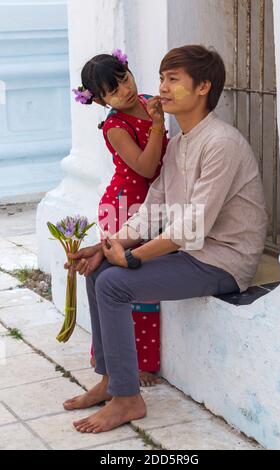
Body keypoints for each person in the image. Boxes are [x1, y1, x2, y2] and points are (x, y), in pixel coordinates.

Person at [63, 44, 268, 434]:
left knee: (114, 284)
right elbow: (154, 205)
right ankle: (110, 380)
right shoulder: (180, 143)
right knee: (99, 270)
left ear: (204, 86)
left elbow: (193, 226)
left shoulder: (220, 142)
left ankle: (128, 400)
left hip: (221, 260)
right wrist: (108, 246)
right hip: (192, 252)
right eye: (161, 78)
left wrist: (135, 257)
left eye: (173, 79)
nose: (162, 88)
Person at [68, 49, 168, 392]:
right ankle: (126, 363)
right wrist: (157, 124)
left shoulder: (150, 100)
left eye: (124, 79)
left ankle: (137, 359)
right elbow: (145, 168)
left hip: (153, 206)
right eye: (112, 90)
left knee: (141, 279)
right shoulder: (115, 125)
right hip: (125, 206)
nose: (124, 91)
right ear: (99, 100)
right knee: (130, 285)